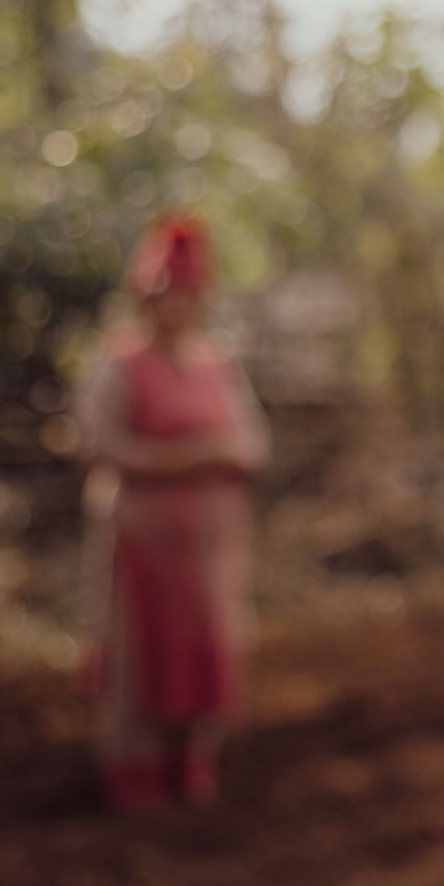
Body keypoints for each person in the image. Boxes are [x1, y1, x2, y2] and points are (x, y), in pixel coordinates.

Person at [75, 211, 268, 811]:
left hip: (209, 548)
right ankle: (137, 768)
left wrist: (218, 455)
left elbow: (252, 444)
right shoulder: (120, 365)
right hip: (143, 543)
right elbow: (100, 445)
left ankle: (192, 758)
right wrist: (182, 458)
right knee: (142, 657)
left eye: (187, 297)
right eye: (167, 298)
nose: (177, 310)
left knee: (205, 646)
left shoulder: (217, 365)